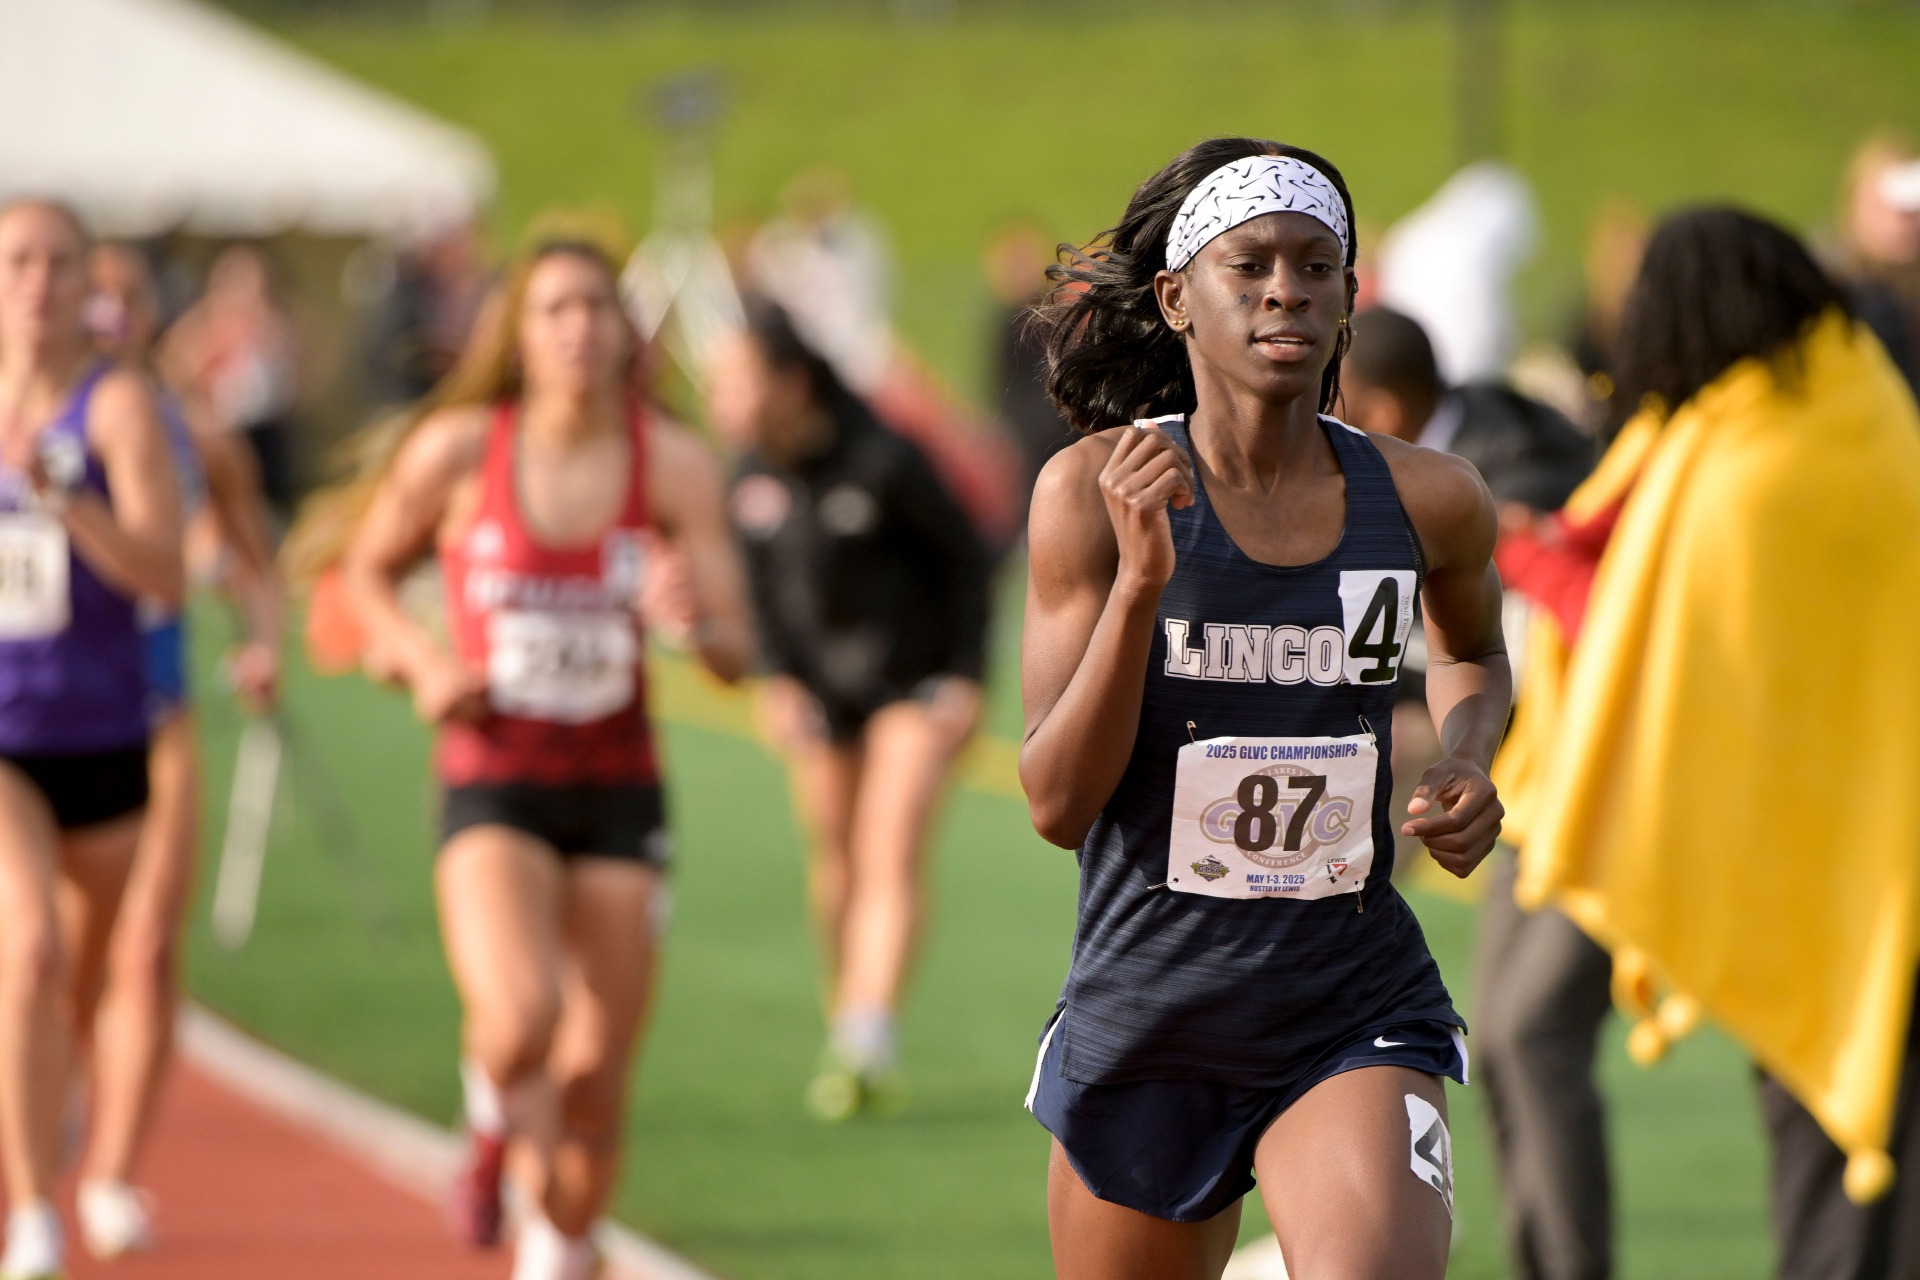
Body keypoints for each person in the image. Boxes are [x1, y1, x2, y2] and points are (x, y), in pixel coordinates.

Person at [1019, 137, 1511, 1280]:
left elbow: (1474, 650)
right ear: (1177, 298)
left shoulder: (1430, 499)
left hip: (1347, 1000)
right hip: (1152, 1006)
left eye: (1314, 264)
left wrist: (1474, 755)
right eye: (1250, 266)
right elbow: (1053, 800)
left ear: (1347, 298)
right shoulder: (1089, 496)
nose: (1285, 286)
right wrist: (1144, 584)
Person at [1500, 208, 1920, 1280]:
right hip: (1850, 841)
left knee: (1846, 1147)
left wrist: (1529, 559)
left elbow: (1651, 639)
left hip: (1857, 864)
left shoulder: (1756, 467)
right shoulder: (1832, 402)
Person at [327, 234, 754, 1280]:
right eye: (554, 308)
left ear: (627, 332)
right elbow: (362, 580)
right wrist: (423, 663)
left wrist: (690, 616)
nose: (578, 328)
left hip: (617, 790)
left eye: (597, 307)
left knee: (596, 1077)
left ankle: (559, 1250)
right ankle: (484, 1135)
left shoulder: (676, 465)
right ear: (517, 333)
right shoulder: (462, 451)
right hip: (494, 774)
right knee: (520, 1018)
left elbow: (740, 651)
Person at [705, 297, 991, 1120]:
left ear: (791, 383)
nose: (721, 400)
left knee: (887, 848)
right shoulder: (749, 475)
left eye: (736, 381)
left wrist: (966, 676)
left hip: (915, 682)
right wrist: (776, 679)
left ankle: (869, 1036)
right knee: (834, 860)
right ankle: (849, 1016)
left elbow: (969, 562)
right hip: (820, 694)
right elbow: (758, 593)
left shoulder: (885, 457)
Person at [64, 241, 282, 1259]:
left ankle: (110, 1169)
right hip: (39, 720)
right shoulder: (22, 431)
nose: (108, 313)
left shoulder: (198, 439)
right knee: (59, 945)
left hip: (156, 710)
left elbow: (256, 563)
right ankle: (63, 1060)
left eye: (126, 297)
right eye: (91, 294)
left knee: (150, 943)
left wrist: (263, 640)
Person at [0, 200, 182, 1280]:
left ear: (88, 283)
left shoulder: (115, 408)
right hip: (5, 736)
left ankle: (55, 1084)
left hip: (107, 735)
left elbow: (165, 572)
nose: (39, 281)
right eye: (18, 261)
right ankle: (31, 1208)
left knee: (80, 979)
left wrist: (67, 496)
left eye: (61, 262)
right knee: (28, 948)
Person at [1340, 306, 1592, 868]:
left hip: (1563, 732)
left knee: (1394, 736)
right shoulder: (1462, 435)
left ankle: (1340, 889)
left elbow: (1492, 646)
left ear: (1380, 410)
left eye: (1327, 401)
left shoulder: (1509, 484)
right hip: (1494, 693)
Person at [160, 245, 301, 511]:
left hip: (269, 442)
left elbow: (298, 379)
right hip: (222, 436)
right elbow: (174, 370)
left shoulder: (275, 329)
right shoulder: (203, 330)